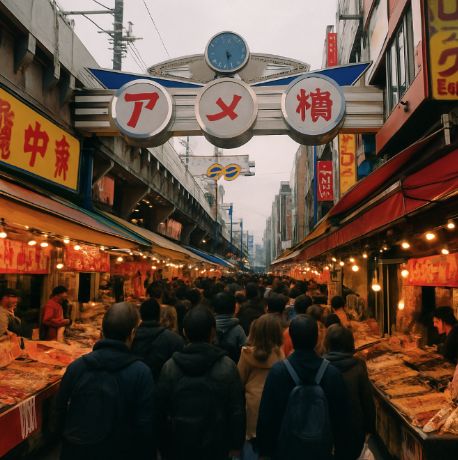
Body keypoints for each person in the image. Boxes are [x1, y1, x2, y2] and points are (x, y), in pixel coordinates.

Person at [54, 303, 155, 460]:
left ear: (101, 333)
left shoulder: (76, 367)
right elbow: (144, 426)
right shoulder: (141, 372)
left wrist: (68, 444)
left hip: (77, 452)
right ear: (132, 334)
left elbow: (59, 412)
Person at [155, 306, 246, 460]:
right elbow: (236, 410)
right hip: (216, 445)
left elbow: (159, 410)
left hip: (178, 445)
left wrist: (161, 444)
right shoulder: (227, 366)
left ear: (184, 332)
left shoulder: (170, 366)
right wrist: (236, 445)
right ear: (212, 334)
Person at [257, 315, 353, 460]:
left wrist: (265, 451)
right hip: (322, 451)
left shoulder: (278, 371)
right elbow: (343, 418)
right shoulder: (332, 373)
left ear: (292, 341)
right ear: (317, 340)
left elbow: (266, 415)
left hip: (286, 450)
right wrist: (342, 452)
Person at [323, 324, 376, 460]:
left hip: (327, 429)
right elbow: (366, 399)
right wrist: (369, 427)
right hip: (353, 429)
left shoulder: (320, 365)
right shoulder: (358, 364)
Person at [238, 315, 285, 460]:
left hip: (251, 408)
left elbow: (239, 380)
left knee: (250, 448)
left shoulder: (247, 354)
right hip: (274, 408)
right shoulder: (280, 355)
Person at [131, 299, 184, 382]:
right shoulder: (175, 339)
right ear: (159, 316)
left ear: (140, 316)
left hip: (134, 386)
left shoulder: (129, 337)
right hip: (164, 389)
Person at [213, 291, 247, 363]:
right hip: (233, 364)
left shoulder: (210, 327)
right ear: (234, 310)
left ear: (213, 309)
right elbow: (246, 349)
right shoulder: (238, 329)